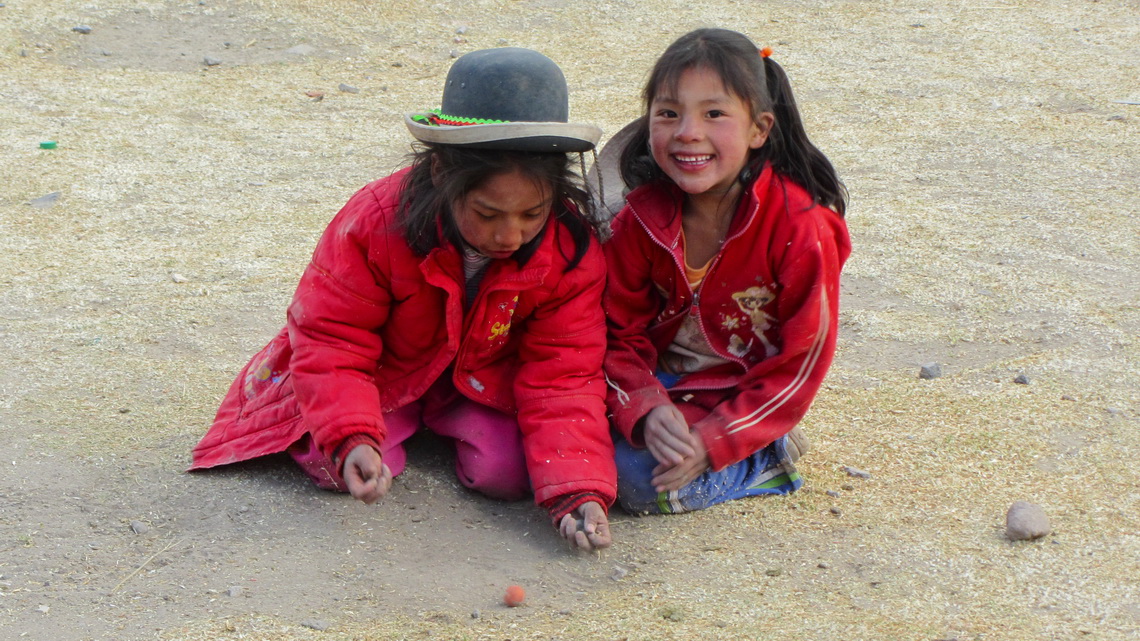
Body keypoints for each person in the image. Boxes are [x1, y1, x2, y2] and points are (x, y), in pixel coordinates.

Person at [190, 48, 615, 550]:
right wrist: (351, 437)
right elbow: (333, 338)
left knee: (510, 476)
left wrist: (577, 490)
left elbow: (563, 373)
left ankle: (432, 422)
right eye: (487, 212)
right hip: (382, 372)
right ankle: (376, 428)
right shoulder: (375, 222)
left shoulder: (569, 251)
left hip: (479, 380)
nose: (510, 235)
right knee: (347, 466)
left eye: (532, 214)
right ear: (440, 173)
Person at [602, 28, 851, 514]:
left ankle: (766, 455)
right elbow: (614, 331)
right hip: (660, 384)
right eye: (668, 113)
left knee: (634, 482)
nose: (687, 132)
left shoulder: (801, 229)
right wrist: (646, 406)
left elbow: (800, 366)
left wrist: (714, 443)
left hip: (735, 397)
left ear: (759, 129)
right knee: (556, 446)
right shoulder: (640, 220)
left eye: (714, 113)